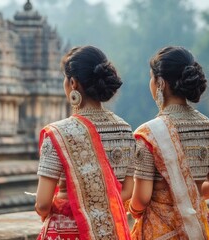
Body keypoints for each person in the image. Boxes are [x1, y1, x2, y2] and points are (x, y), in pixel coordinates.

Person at [35, 46, 134, 240]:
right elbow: (128, 190)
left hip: (67, 232)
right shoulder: (125, 130)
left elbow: (42, 204)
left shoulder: (58, 133)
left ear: (73, 83)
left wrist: (71, 207)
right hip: (110, 232)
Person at [129, 46, 209, 240]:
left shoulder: (148, 134)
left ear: (160, 83)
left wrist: (131, 208)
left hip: (160, 232)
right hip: (198, 229)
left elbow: (141, 198)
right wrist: (187, 198)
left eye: (151, 78)